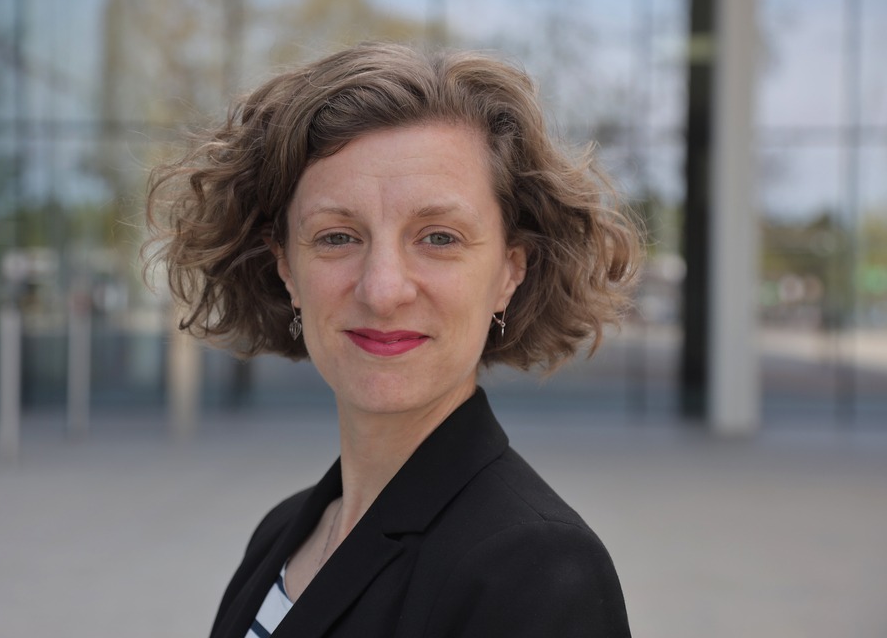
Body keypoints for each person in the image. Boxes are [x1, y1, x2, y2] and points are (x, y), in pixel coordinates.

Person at [146, 42, 640, 638]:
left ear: (510, 271)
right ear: (285, 269)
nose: (382, 290)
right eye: (335, 237)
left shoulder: (538, 572)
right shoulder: (282, 533)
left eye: (438, 238)